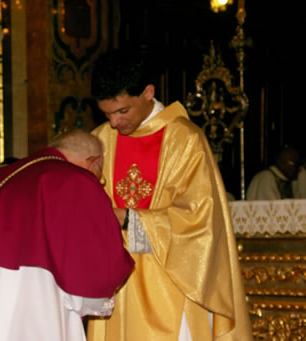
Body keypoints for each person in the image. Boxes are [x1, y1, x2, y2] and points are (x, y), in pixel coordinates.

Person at [86, 50, 253, 340]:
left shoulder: (184, 139)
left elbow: (200, 221)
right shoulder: (100, 139)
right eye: (107, 113)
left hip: (172, 286)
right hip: (116, 289)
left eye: (122, 111)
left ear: (148, 92)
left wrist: (127, 219)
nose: (114, 123)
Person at [0, 130, 135, 341]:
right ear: (94, 162)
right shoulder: (73, 178)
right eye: (99, 178)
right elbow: (94, 268)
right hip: (30, 301)